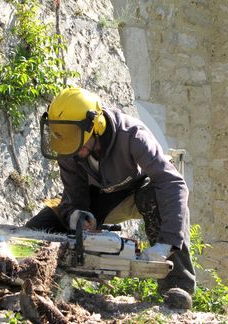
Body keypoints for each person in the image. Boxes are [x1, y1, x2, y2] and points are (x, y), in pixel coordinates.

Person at [26, 87, 195, 309]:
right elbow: (73, 193)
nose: (71, 148)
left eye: (76, 141)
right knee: (39, 227)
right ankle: (41, 282)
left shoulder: (133, 135)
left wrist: (166, 245)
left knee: (158, 196)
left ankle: (177, 288)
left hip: (136, 191)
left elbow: (172, 183)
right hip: (97, 196)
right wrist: (76, 215)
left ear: (95, 127)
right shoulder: (69, 147)